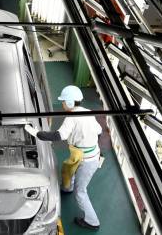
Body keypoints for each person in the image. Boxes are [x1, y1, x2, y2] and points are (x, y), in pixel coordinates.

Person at [25, 85, 103, 231]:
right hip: (85, 154)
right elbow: (99, 132)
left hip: (87, 161)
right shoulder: (88, 113)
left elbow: (58, 136)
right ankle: (67, 188)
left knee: (81, 192)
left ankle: (93, 222)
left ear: (71, 102)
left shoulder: (71, 118)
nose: (62, 104)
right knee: (68, 169)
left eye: (63, 101)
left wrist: (36, 133)